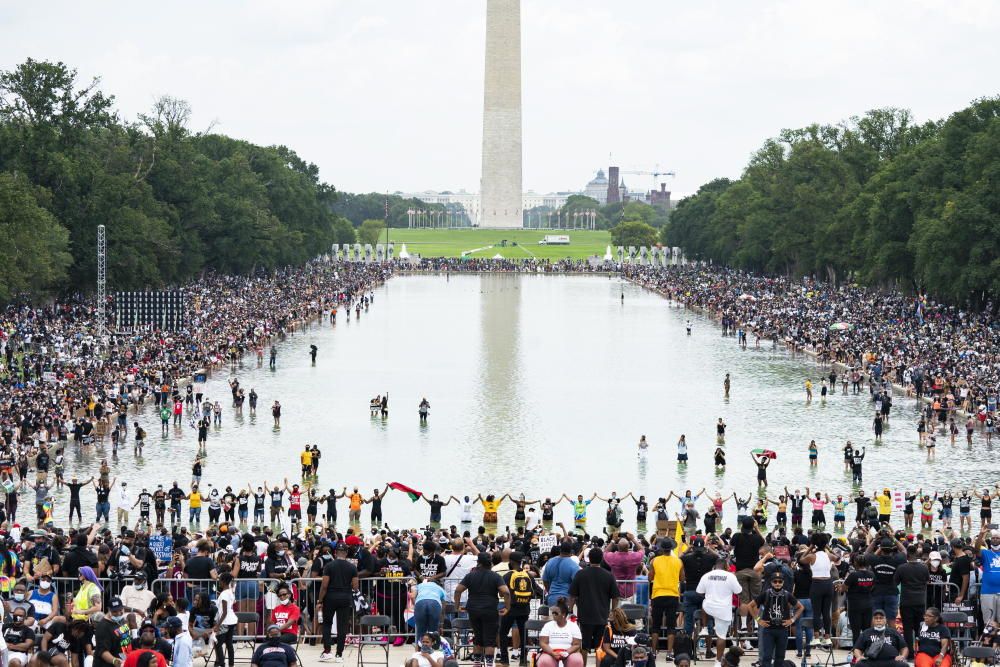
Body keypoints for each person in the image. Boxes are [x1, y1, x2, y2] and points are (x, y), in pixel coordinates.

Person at [454, 553, 511, 667]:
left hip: (473, 610)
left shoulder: (471, 575)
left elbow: (458, 590)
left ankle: (477, 664)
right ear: (490, 563)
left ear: (478, 562)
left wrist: (457, 606)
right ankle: (489, 664)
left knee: (478, 638)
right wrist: (507, 607)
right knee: (490, 640)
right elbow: (506, 592)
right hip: (490, 610)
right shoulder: (495, 576)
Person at [568, 548, 620, 666]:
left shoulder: (580, 574)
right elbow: (615, 597)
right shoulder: (608, 575)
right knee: (599, 646)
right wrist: (613, 611)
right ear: (602, 559)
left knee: (584, 646)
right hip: (602, 615)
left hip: (585, 615)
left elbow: (572, 595)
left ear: (588, 559)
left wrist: (570, 610)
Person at [748, 573, 803, 667]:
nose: (777, 583)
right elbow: (750, 606)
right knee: (767, 656)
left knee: (780, 657)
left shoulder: (787, 594)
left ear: (783, 583)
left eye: (780, 581)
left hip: (782, 630)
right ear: (771, 582)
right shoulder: (765, 593)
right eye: (775, 581)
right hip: (768, 630)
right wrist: (758, 619)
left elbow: (801, 607)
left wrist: (792, 620)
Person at [317, 541, 359, 662]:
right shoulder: (352, 567)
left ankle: (327, 651)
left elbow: (324, 586)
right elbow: (355, 586)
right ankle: (339, 655)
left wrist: (320, 600)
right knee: (342, 627)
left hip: (330, 597)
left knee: (327, 624)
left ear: (335, 553)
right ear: (346, 553)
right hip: (345, 597)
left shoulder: (329, 566)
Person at [696, 557, 741, 661]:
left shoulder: (706, 575)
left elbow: (699, 592)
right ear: (726, 566)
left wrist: (709, 595)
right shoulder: (730, 576)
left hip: (709, 607)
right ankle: (718, 661)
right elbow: (739, 591)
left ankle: (705, 627)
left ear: (715, 566)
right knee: (721, 636)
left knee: (704, 603)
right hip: (723, 609)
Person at [648, 538, 683, 659]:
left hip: (657, 595)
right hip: (672, 595)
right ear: (672, 549)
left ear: (662, 549)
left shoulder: (654, 561)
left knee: (656, 625)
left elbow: (650, 578)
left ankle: (653, 651)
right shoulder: (678, 561)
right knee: (671, 626)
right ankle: (669, 653)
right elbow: (682, 578)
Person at [894, 544, 930, 651]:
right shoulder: (924, 567)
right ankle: (922, 650)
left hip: (906, 602)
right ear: (917, 554)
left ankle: (909, 653)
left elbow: (895, 582)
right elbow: (927, 581)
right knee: (920, 628)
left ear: (907, 555)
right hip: (920, 601)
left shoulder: (902, 568)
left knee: (908, 629)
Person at [537, 598, 584, 667]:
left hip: (569, 652)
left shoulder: (573, 626)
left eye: (556, 613)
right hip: (550, 652)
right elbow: (543, 643)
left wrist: (566, 653)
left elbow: (576, 644)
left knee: (576, 660)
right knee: (545, 661)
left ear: (563, 614)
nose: (553, 615)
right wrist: (552, 653)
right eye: (553, 613)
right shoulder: (548, 625)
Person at [94, 597, 131, 667]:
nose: (118, 613)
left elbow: (125, 638)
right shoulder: (103, 626)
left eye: (120, 610)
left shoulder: (122, 621)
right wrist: (114, 660)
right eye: (114, 611)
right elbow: (103, 651)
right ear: (109, 610)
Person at [412, 576, 446, 643]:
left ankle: (419, 651)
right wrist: (441, 624)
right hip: (435, 603)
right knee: (433, 631)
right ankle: (433, 651)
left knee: (420, 631)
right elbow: (443, 608)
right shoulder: (441, 589)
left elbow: (413, 596)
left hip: (420, 603)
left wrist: (415, 605)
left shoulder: (420, 585)